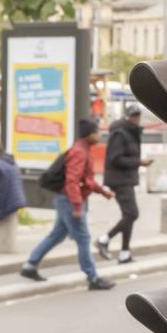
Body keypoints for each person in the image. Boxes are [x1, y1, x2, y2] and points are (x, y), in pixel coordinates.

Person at [21, 119, 116, 290]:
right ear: (90, 134)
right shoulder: (79, 152)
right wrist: (78, 206)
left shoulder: (82, 149)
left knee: (57, 235)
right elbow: (72, 182)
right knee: (84, 238)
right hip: (70, 201)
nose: (100, 135)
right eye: (97, 132)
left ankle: (30, 265)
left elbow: (87, 180)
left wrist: (103, 191)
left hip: (66, 199)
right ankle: (93, 278)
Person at [97, 103, 153, 264]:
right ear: (126, 116)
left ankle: (124, 253)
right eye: (133, 115)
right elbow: (115, 158)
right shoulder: (120, 133)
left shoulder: (132, 132)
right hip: (119, 180)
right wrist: (139, 162)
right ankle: (104, 239)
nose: (135, 118)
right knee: (132, 214)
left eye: (137, 115)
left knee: (128, 216)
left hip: (126, 178)